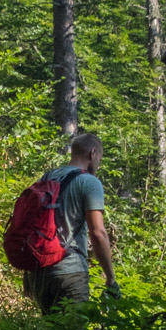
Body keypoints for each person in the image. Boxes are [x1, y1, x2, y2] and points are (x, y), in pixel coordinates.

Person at [23, 132, 119, 312]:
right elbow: (98, 232)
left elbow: (31, 225)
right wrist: (110, 277)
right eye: (99, 157)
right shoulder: (89, 182)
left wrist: (28, 272)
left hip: (39, 270)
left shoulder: (47, 177)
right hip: (70, 271)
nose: (98, 163)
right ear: (92, 153)